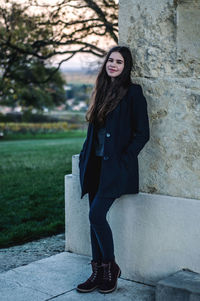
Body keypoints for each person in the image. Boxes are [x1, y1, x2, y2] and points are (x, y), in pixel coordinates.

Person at [77, 45, 150, 294]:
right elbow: (94, 131)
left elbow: (142, 134)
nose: (113, 65)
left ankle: (111, 269)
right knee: (93, 219)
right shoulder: (101, 90)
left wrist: (124, 160)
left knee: (96, 216)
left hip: (114, 167)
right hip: (93, 165)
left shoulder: (133, 93)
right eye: (111, 60)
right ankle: (97, 273)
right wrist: (84, 156)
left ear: (125, 66)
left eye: (118, 62)